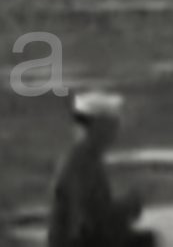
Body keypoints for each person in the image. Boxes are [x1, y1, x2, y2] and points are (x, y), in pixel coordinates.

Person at [48, 90, 152, 246]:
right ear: (98, 127)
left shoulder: (84, 159)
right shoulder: (81, 164)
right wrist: (131, 204)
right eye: (112, 125)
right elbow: (91, 222)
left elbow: (97, 214)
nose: (116, 131)